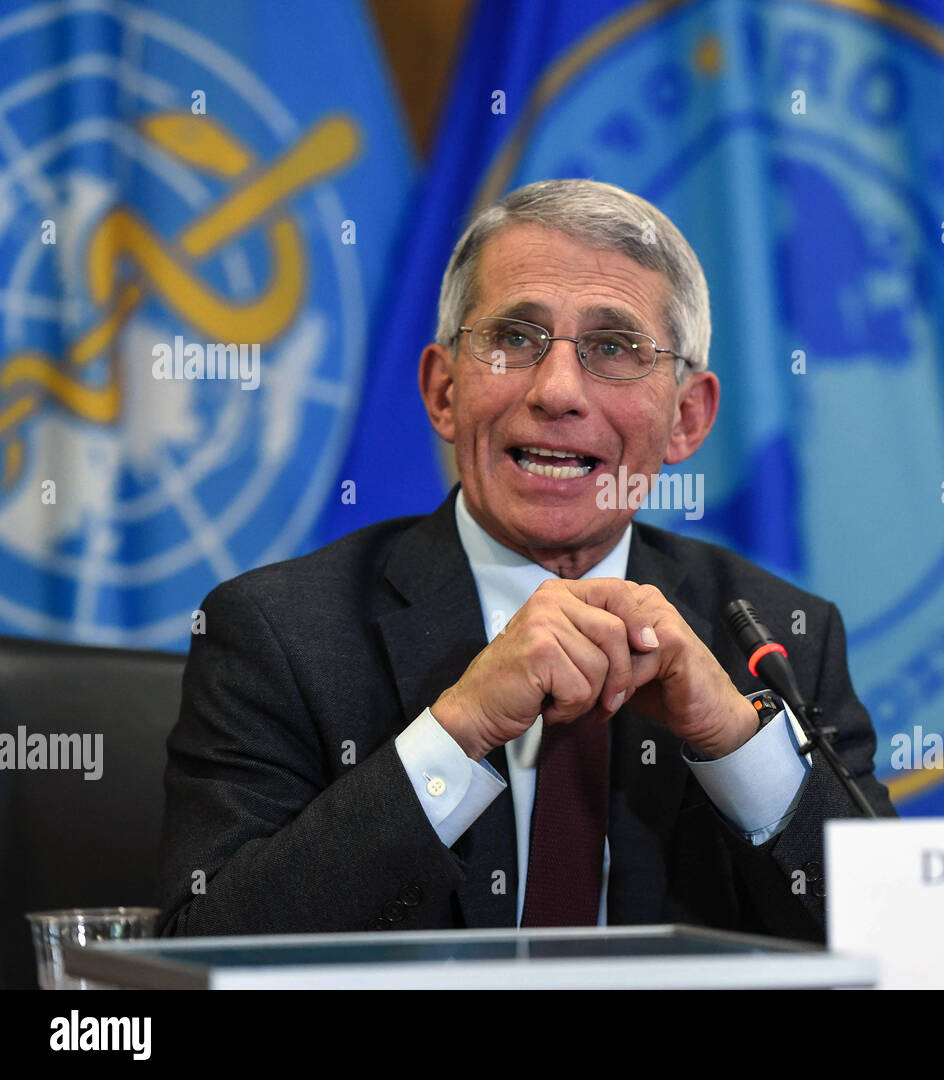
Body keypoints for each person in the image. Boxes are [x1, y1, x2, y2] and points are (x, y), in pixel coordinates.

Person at [157, 179, 896, 943]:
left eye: (613, 348)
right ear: (443, 391)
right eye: (514, 337)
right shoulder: (280, 634)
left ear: (687, 418)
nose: (558, 390)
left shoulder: (782, 641)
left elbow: (899, 952)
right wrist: (457, 730)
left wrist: (739, 748)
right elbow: (206, 953)